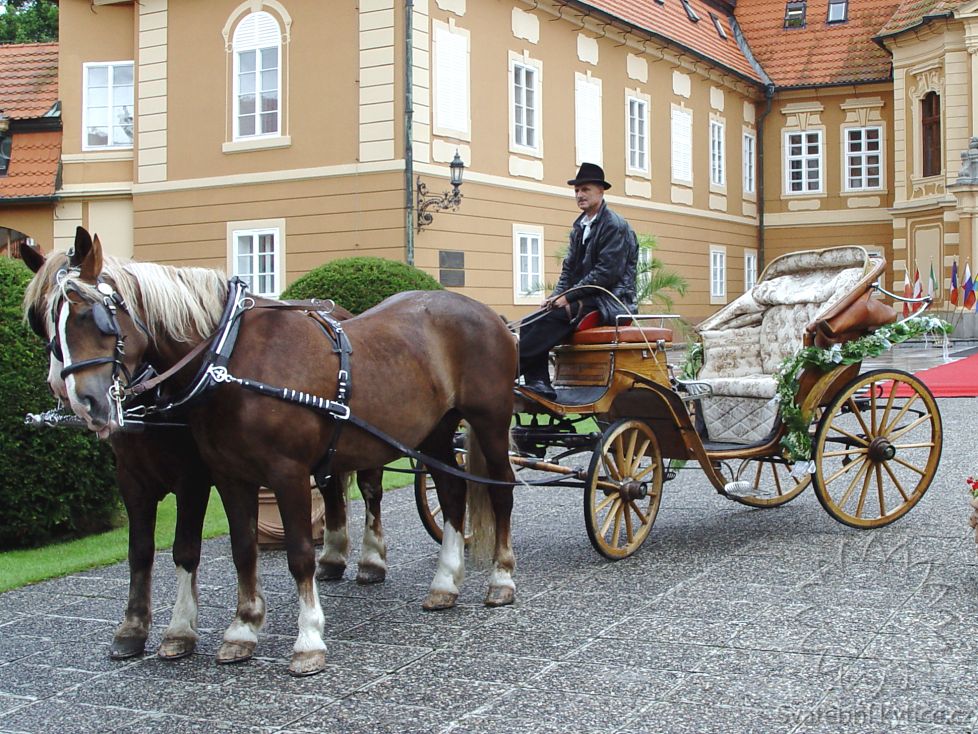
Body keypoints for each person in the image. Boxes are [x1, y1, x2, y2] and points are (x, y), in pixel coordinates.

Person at [519, 162, 638, 400]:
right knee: (532, 320)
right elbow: (568, 270)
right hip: (588, 296)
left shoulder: (614, 226)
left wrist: (568, 297)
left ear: (601, 192)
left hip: (610, 301)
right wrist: (555, 297)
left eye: (585, 189)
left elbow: (606, 274)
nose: (580, 195)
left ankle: (510, 368)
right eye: (576, 191)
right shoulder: (579, 227)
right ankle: (539, 382)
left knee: (554, 317)